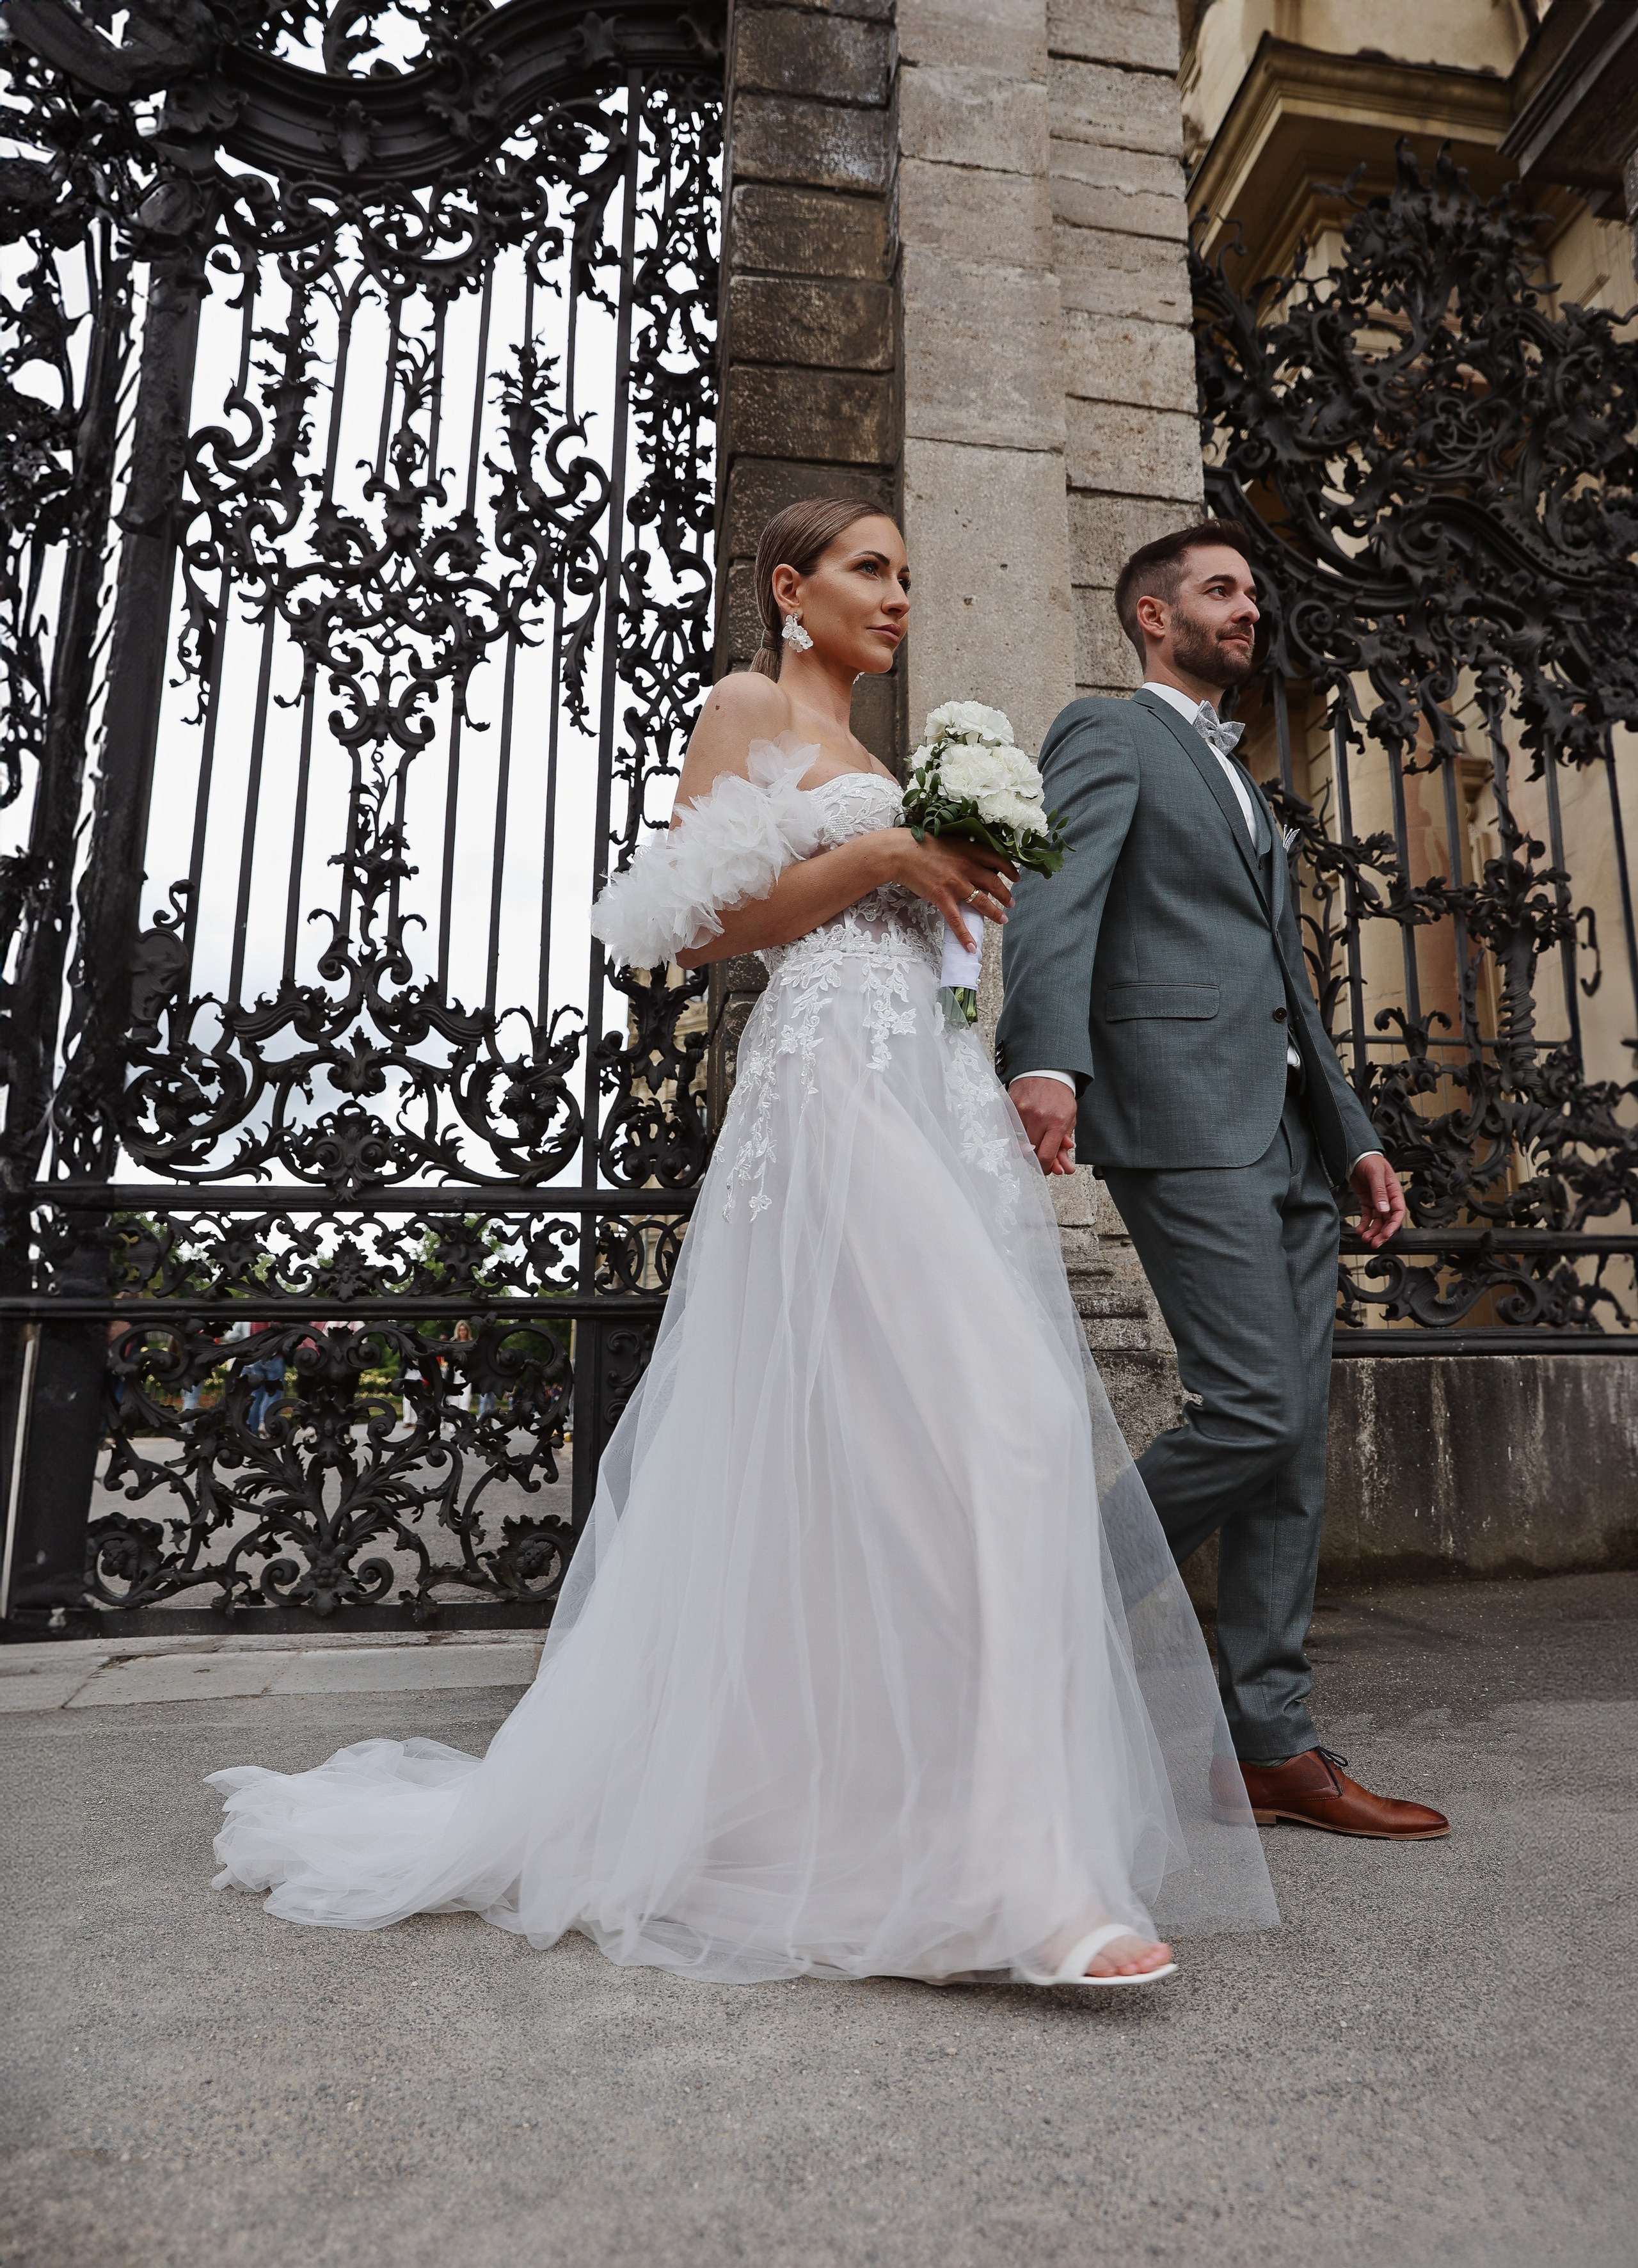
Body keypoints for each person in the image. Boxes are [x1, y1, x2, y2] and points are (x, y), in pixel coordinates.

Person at [207, 500, 1276, 1984]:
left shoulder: (891, 763)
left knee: (917, 1454)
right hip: (828, 1091)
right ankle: (1006, 1887)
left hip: (924, 1086)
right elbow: (686, 921)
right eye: (867, 570)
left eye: (907, 571)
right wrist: (888, 858)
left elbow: (915, 920)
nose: (896, 595)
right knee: (1015, 1419)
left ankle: (929, 1831)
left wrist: (959, 904)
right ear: (790, 590)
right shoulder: (748, 705)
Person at [996, 519, 1449, 1840]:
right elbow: (1055, 896)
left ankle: (1271, 1742)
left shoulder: (1236, 767)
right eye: (1217, 590)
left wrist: (1352, 1129)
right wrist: (1046, 1061)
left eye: (1250, 589)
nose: (1246, 609)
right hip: (1181, 1117)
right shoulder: (1107, 732)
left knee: (1291, 1442)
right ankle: (1045, 1587)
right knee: (1249, 1410)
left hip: (1289, 1134)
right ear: (1150, 615)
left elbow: (1282, 974)